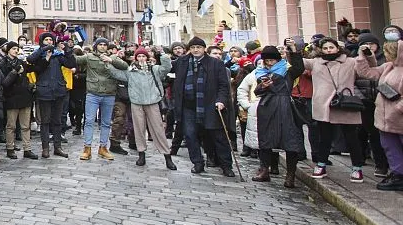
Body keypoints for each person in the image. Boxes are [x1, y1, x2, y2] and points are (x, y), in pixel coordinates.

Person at [289, 37, 365, 182]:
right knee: (324, 138)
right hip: (324, 105)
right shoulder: (316, 62)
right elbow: (299, 64)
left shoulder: (350, 61)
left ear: (338, 48)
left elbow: (365, 68)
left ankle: (357, 168)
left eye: (331, 47)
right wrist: (293, 50)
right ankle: (321, 165)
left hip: (344, 103)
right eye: (325, 48)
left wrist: (366, 54)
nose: (328, 50)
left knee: (351, 138)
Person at [170, 37, 235, 176]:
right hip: (188, 105)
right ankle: (197, 163)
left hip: (210, 104)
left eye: (198, 47)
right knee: (190, 135)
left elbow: (224, 85)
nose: (195, 50)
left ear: (204, 49)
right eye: (193, 47)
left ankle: (226, 165)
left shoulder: (215, 63)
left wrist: (221, 100)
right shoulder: (182, 62)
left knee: (218, 136)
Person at [107, 48, 176, 170]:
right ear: (135, 58)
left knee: (158, 129)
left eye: (143, 57)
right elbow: (115, 73)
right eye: (139, 57)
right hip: (137, 103)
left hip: (152, 102)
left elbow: (166, 67)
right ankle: (141, 154)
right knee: (139, 129)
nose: (141, 59)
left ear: (147, 58)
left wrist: (163, 54)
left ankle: (167, 156)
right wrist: (109, 62)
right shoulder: (130, 71)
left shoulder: (154, 69)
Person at [354, 25, 403, 191]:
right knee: (390, 147)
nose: (387, 55)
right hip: (385, 119)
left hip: (398, 118)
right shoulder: (388, 67)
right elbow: (367, 73)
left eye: (390, 53)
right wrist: (363, 55)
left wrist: (397, 108)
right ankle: (398, 174)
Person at [251, 46, 305, 188]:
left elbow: (299, 68)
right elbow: (257, 91)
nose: (269, 63)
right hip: (267, 107)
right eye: (267, 61)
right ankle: (264, 170)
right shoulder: (260, 72)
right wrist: (262, 86)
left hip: (285, 106)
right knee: (265, 139)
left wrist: (293, 51)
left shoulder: (287, 71)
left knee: (290, 140)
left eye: (272, 60)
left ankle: (290, 175)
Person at [28, 32, 76, 158]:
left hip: (59, 90)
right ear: (42, 42)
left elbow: (70, 64)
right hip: (44, 91)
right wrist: (45, 53)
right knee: (45, 121)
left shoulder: (57, 55)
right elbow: (31, 61)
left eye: (51, 40)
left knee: (57, 120)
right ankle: (45, 148)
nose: (49, 42)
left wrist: (67, 50)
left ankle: (57, 147)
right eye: (46, 40)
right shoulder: (39, 54)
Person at [78, 38, 126, 161]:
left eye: (105, 45)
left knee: (105, 123)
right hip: (93, 93)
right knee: (89, 121)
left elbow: (124, 66)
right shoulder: (89, 56)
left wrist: (110, 60)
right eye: (100, 44)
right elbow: (76, 60)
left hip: (109, 93)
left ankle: (103, 148)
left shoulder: (113, 57)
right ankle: (87, 148)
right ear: (96, 46)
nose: (103, 47)